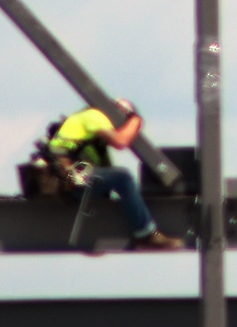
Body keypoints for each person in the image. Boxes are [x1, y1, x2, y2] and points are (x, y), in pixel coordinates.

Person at [48, 100, 183, 250]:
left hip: (72, 183)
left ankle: (97, 230)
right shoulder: (93, 116)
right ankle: (145, 234)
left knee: (113, 178)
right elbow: (120, 141)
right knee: (122, 177)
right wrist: (136, 120)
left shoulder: (90, 131)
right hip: (70, 182)